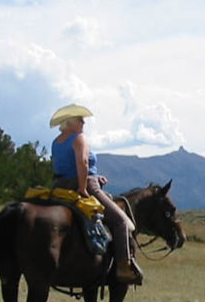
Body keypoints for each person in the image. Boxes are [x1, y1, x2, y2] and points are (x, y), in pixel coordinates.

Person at [49, 104, 143, 285]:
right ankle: (123, 266)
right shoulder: (79, 138)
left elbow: (68, 165)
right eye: (79, 119)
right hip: (84, 185)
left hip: (59, 186)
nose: (83, 122)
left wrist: (95, 175)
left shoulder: (57, 141)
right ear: (69, 122)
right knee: (121, 221)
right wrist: (84, 187)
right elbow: (82, 162)